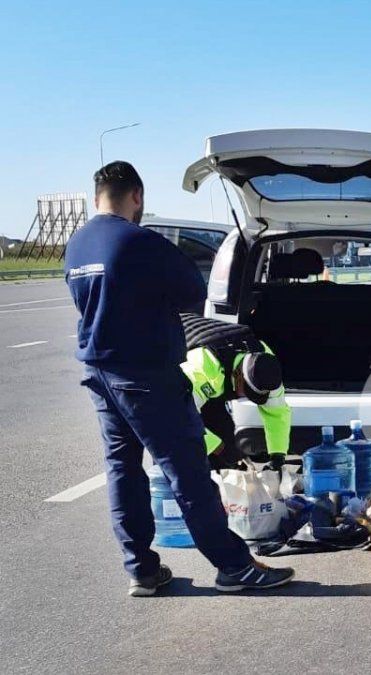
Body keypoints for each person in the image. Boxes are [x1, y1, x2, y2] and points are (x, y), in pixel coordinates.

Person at [66, 161, 295, 597]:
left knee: (123, 470)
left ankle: (142, 570)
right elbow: (193, 294)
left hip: (100, 373)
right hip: (148, 373)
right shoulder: (141, 242)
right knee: (187, 471)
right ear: (137, 196)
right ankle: (234, 567)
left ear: (98, 195)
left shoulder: (77, 245)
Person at [179, 313, 291, 471]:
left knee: (228, 443)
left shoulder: (266, 366)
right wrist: (218, 448)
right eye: (246, 392)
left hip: (215, 372)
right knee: (181, 449)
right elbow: (181, 416)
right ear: (238, 375)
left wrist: (278, 455)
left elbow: (278, 413)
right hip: (163, 341)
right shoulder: (204, 367)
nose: (246, 397)